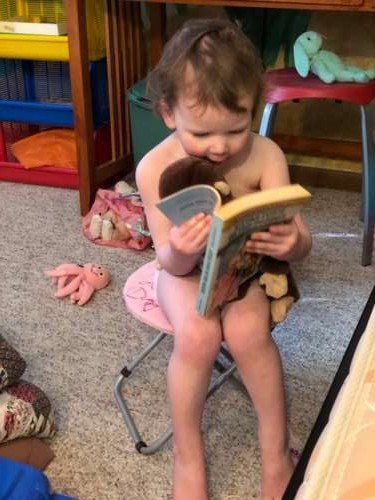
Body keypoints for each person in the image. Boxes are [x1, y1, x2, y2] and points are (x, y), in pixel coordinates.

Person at [136, 18, 312, 500]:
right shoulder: (154, 166)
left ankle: (275, 453)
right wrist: (182, 249)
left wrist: (289, 244)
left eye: (236, 129)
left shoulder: (265, 154)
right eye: (203, 133)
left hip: (247, 270)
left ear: (254, 110)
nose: (220, 147)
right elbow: (166, 261)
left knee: (248, 331)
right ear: (169, 113)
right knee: (197, 334)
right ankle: (187, 455)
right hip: (183, 272)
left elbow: (300, 241)